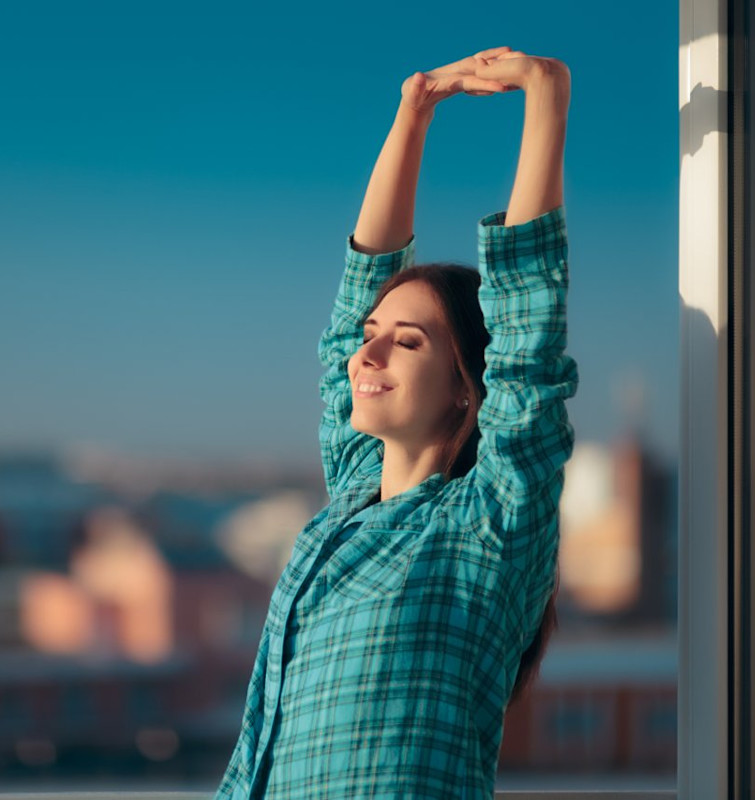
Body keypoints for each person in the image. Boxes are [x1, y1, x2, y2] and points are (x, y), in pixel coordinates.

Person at [215, 46, 578, 799]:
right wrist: (413, 113)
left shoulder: (491, 520)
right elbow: (358, 297)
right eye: (372, 334)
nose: (366, 352)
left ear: (463, 389)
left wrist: (545, 99)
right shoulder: (350, 494)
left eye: (407, 341)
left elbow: (528, 340)